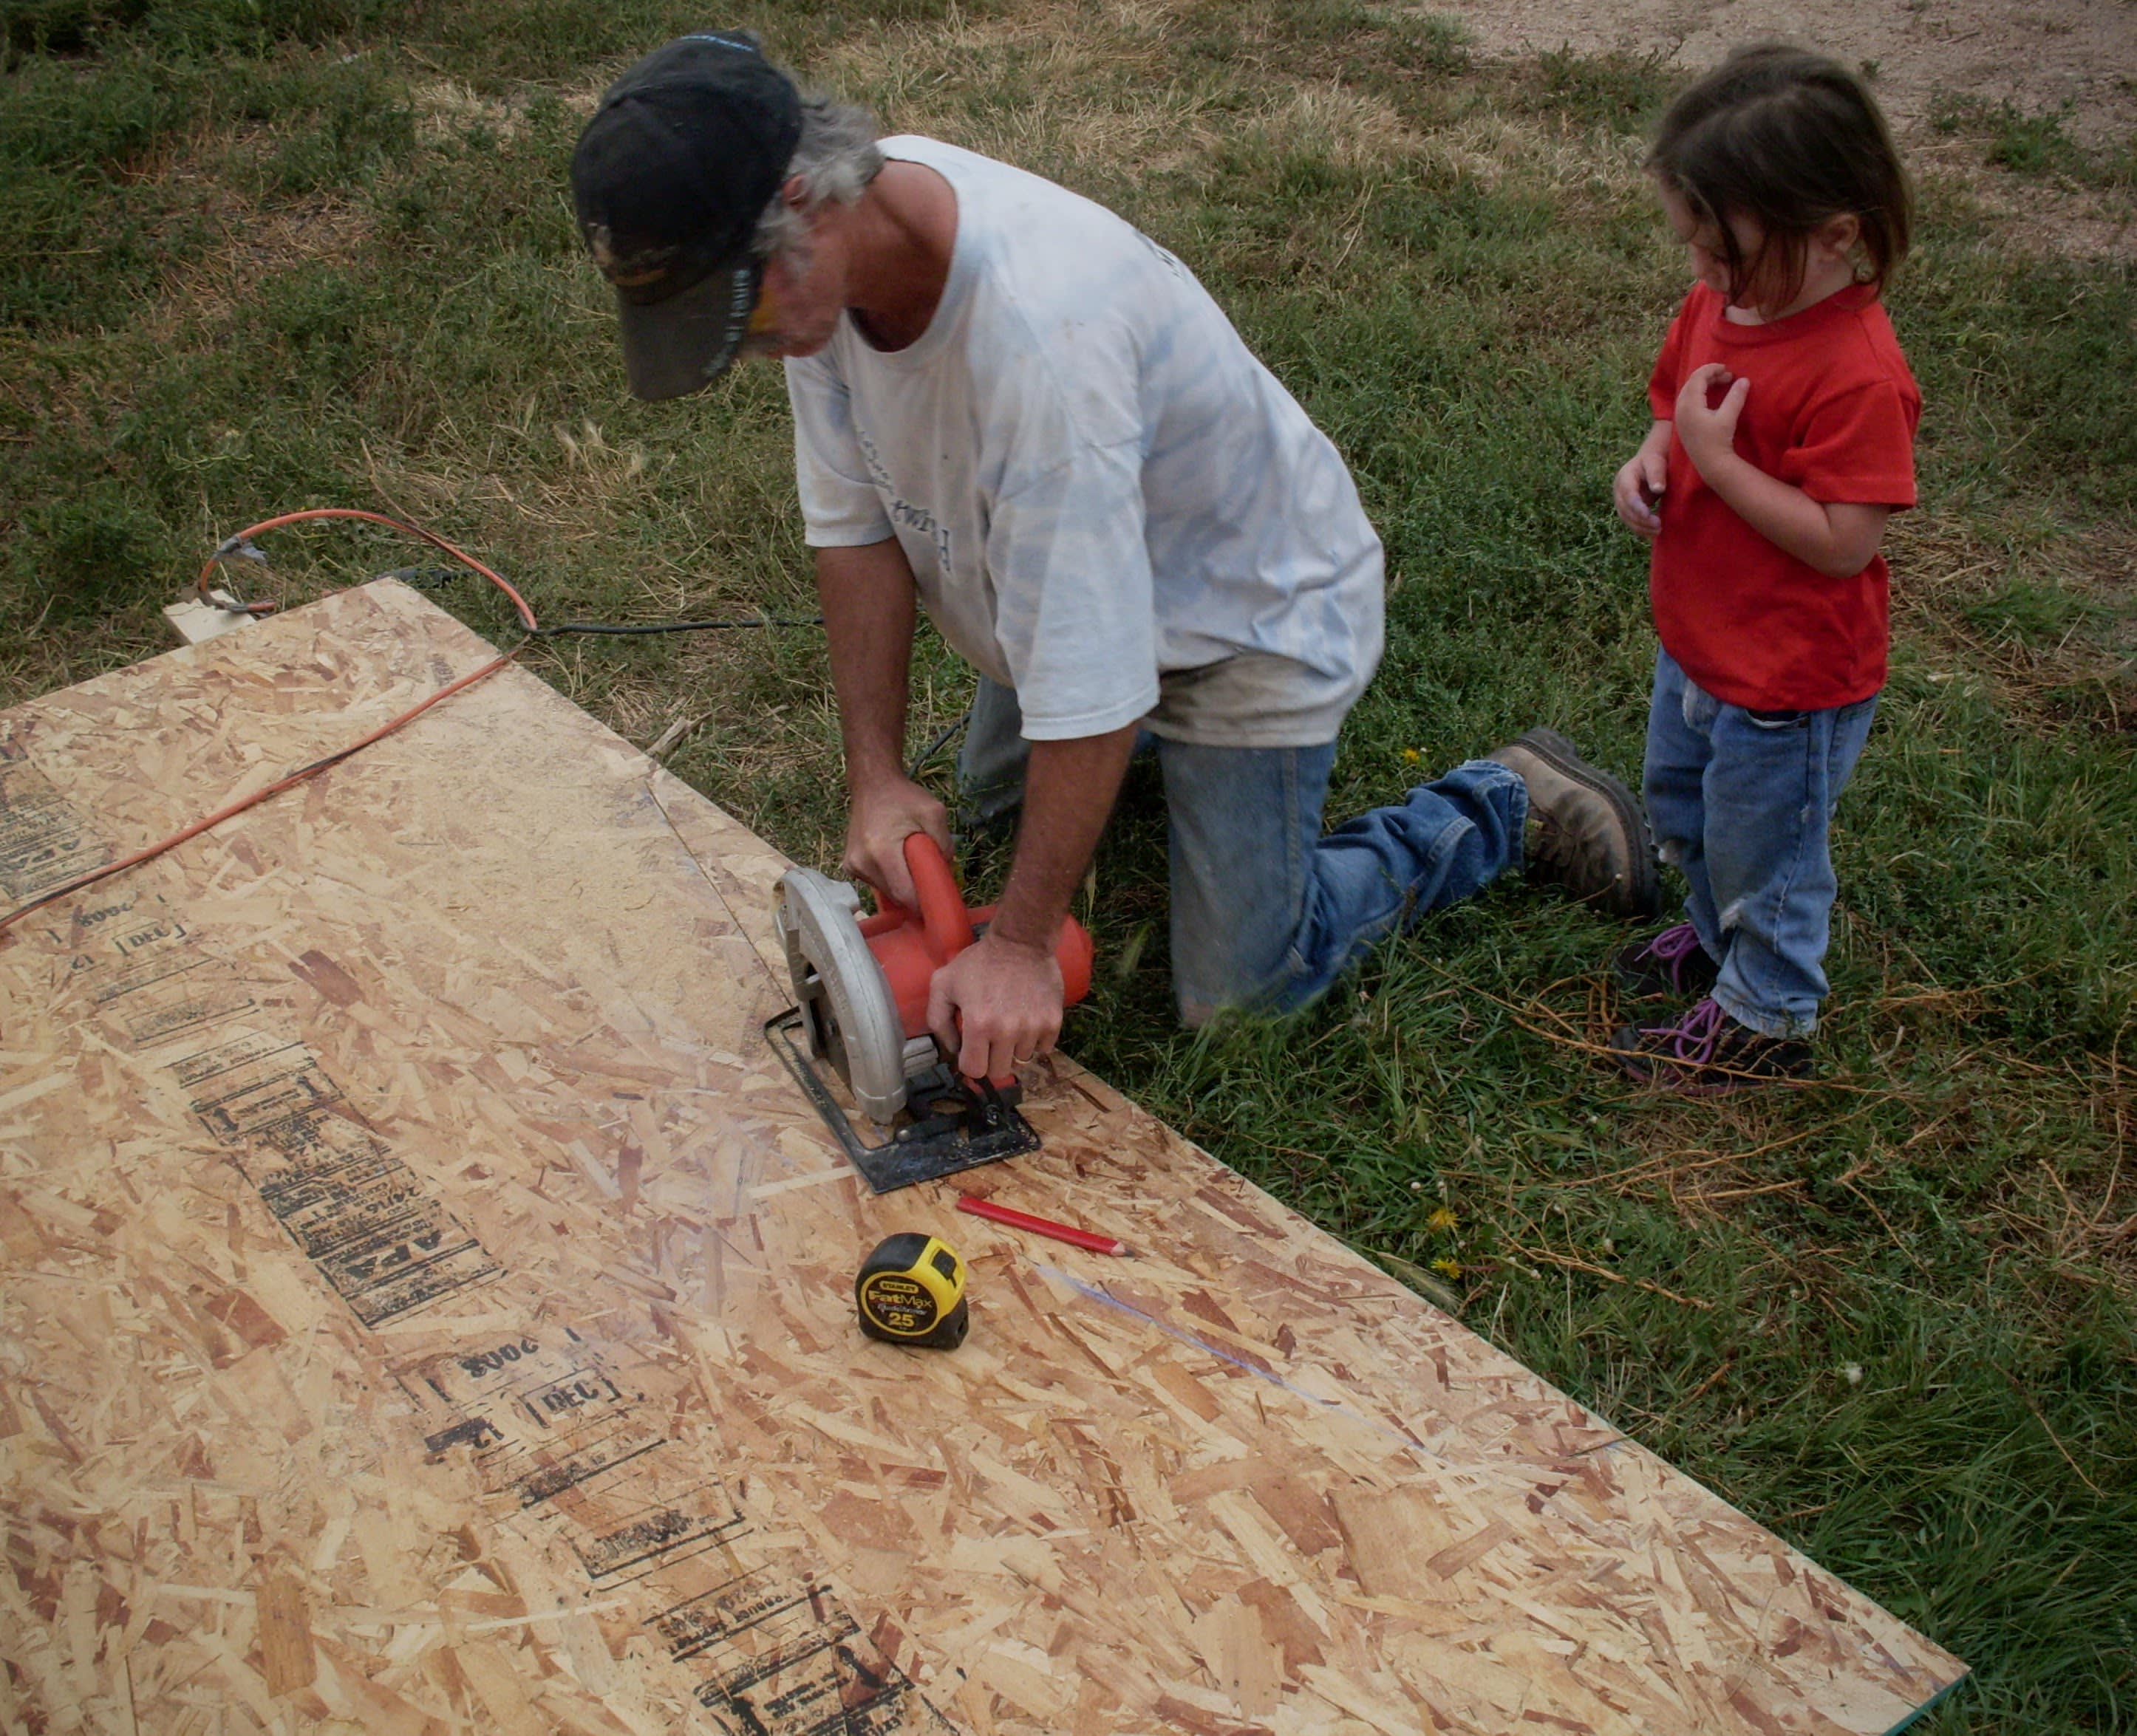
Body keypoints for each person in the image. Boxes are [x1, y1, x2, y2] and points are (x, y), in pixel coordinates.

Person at [570, 33, 1656, 1079]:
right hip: (1067, 583)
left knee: (1237, 997)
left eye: (743, 313)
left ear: (803, 196)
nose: (751, 346)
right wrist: (878, 774)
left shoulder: (1042, 345)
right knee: (995, 823)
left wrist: (1022, 945)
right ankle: (1143, 777)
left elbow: (1092, 681)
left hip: (1245, 622)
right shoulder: (834, 276)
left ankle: (1497, 804)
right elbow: (855, 529)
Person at [1607, 44, 1919, 1091]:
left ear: (1836, 233)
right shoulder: (1720, 306)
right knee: (1686, 808)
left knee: (1769, 853)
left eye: (1727, 253)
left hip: (1792, 677)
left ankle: (1766, 1014)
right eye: (1696, 245)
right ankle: (1713, 938)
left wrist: (1714, 463)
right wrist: (1655, 453)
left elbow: (1844, 539)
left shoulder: (1857, 371)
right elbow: (1672, 402)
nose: (1704, 275)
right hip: (1700, 639)